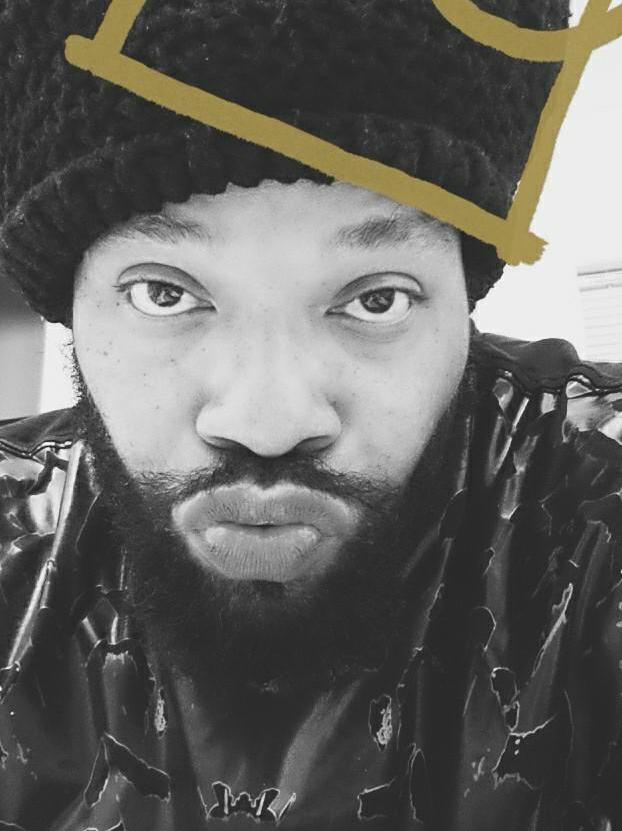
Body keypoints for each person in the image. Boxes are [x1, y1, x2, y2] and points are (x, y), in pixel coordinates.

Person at [0, 0, 621, 829]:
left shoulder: (595, 506)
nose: (268, 424)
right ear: (72, 310)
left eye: (376, 299)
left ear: (463, 307)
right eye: (163, 293)